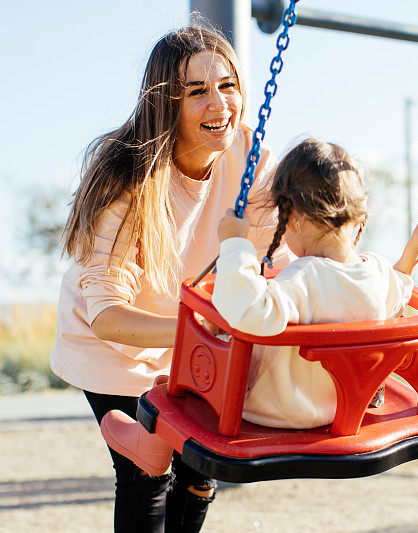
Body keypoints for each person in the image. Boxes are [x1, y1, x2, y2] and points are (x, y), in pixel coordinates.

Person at [50, 26, 289, 532]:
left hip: (197, 329)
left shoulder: (251, 157)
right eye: (197, 92)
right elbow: (108, 316)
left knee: (201, 471)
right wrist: (208, 324)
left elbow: (279, 255)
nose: (220, 103)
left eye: (227, 85)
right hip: (117, 343)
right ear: (166, 105)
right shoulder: (124, 175)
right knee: (144, 471)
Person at [212, 138, 418, 429]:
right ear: (359, 217)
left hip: (277, 411)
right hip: (342, 408)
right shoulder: (378, 274)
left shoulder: (303, 278)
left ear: (291, 218)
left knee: (218, 340)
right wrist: (415, 249)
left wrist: (234, 243)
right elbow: (401, 287)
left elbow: (247, 310)